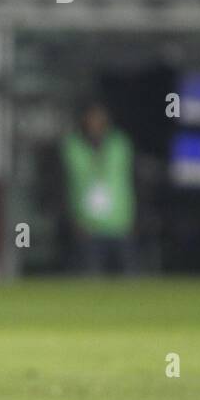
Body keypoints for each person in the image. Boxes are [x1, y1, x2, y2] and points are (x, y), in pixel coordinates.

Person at [62, 100, 137, 274]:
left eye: (99, 117)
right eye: (91, 117)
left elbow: (134, 181)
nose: (95, 121)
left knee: (129, 277)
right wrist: (70, 218)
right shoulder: (72, 145)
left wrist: (138, 217)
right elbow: (62, 185)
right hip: (87, 225)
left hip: (120, 222)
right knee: (90, 277)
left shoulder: (120, 144)